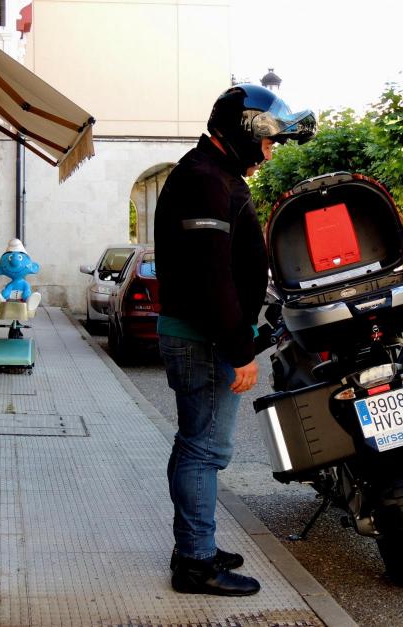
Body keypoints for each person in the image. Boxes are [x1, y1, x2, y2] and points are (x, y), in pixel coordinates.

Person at [154, 84, 315, 596]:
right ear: (248, 131)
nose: (271, 153)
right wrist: (240, 351)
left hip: (203, 336)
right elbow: (211, 276)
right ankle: (196, 563)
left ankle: (193, 545)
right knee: (204, 451)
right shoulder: (205, 180)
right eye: (269, 141)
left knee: (194, 446)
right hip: (204, 341)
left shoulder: (211, 173)